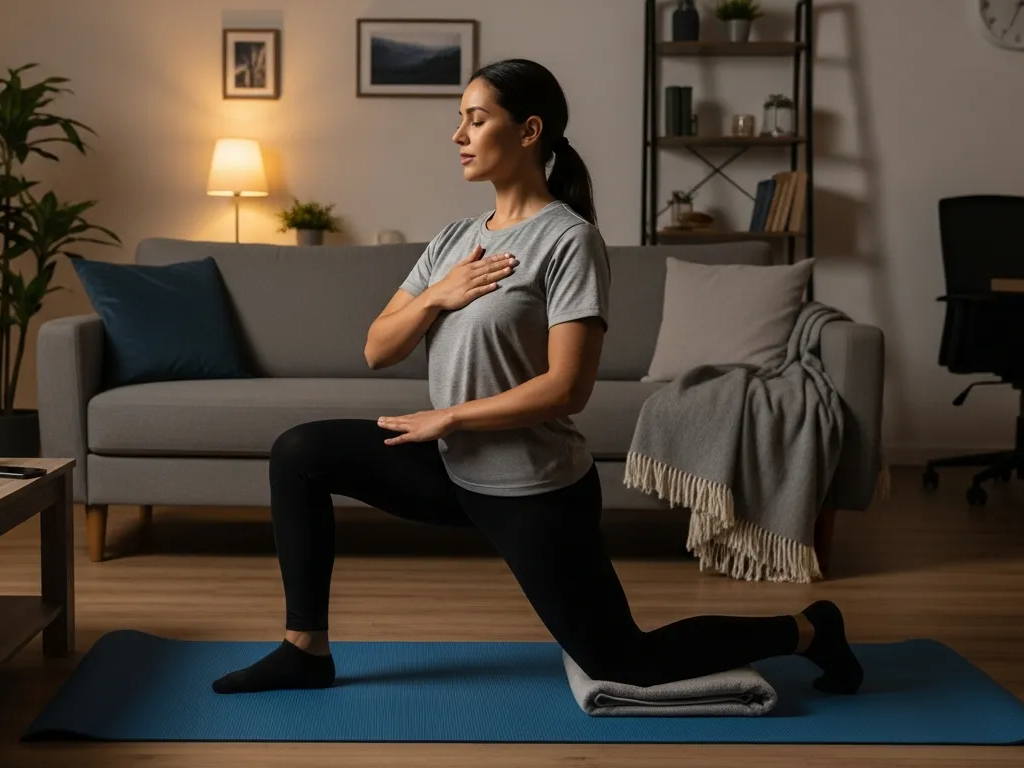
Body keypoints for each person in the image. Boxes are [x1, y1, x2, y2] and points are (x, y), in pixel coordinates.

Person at [211, 58, 862, 697]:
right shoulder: (454, 240)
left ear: (528, 131)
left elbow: (567, 388)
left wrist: (450, 416)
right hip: (452, 467)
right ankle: (304, 652)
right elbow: (377, 348)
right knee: (300, 453)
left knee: (624, 661)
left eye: (476, 119)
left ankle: (810, 630)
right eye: (460, 120)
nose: (458, 135)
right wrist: (438, 295)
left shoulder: (568, 241)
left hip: (530, 484)